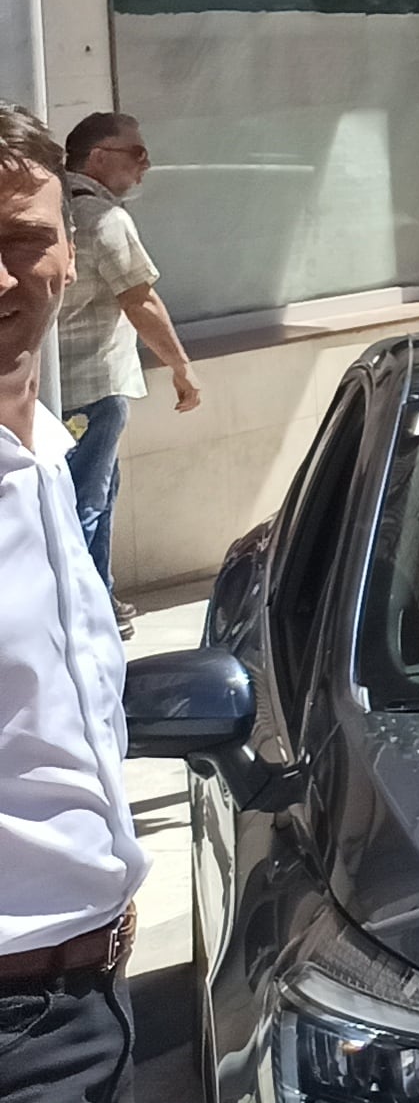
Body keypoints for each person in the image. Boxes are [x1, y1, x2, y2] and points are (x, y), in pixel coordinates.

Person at [0, 105, 134, 1101]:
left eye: (22, 241)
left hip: (86, 998)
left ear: (69, 256)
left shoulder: (47, 446)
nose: (3, 278)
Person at [49, 118, 195, 600]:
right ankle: (83, 604)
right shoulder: (103, 219)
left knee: (95, 492)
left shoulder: (52, 204)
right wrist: (182, 369)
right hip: (93, 389)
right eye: (136, 153)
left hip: (53, 386)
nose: (145, 165)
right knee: (87, 501)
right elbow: (141, 300)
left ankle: (100, 597)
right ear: (98, 158)